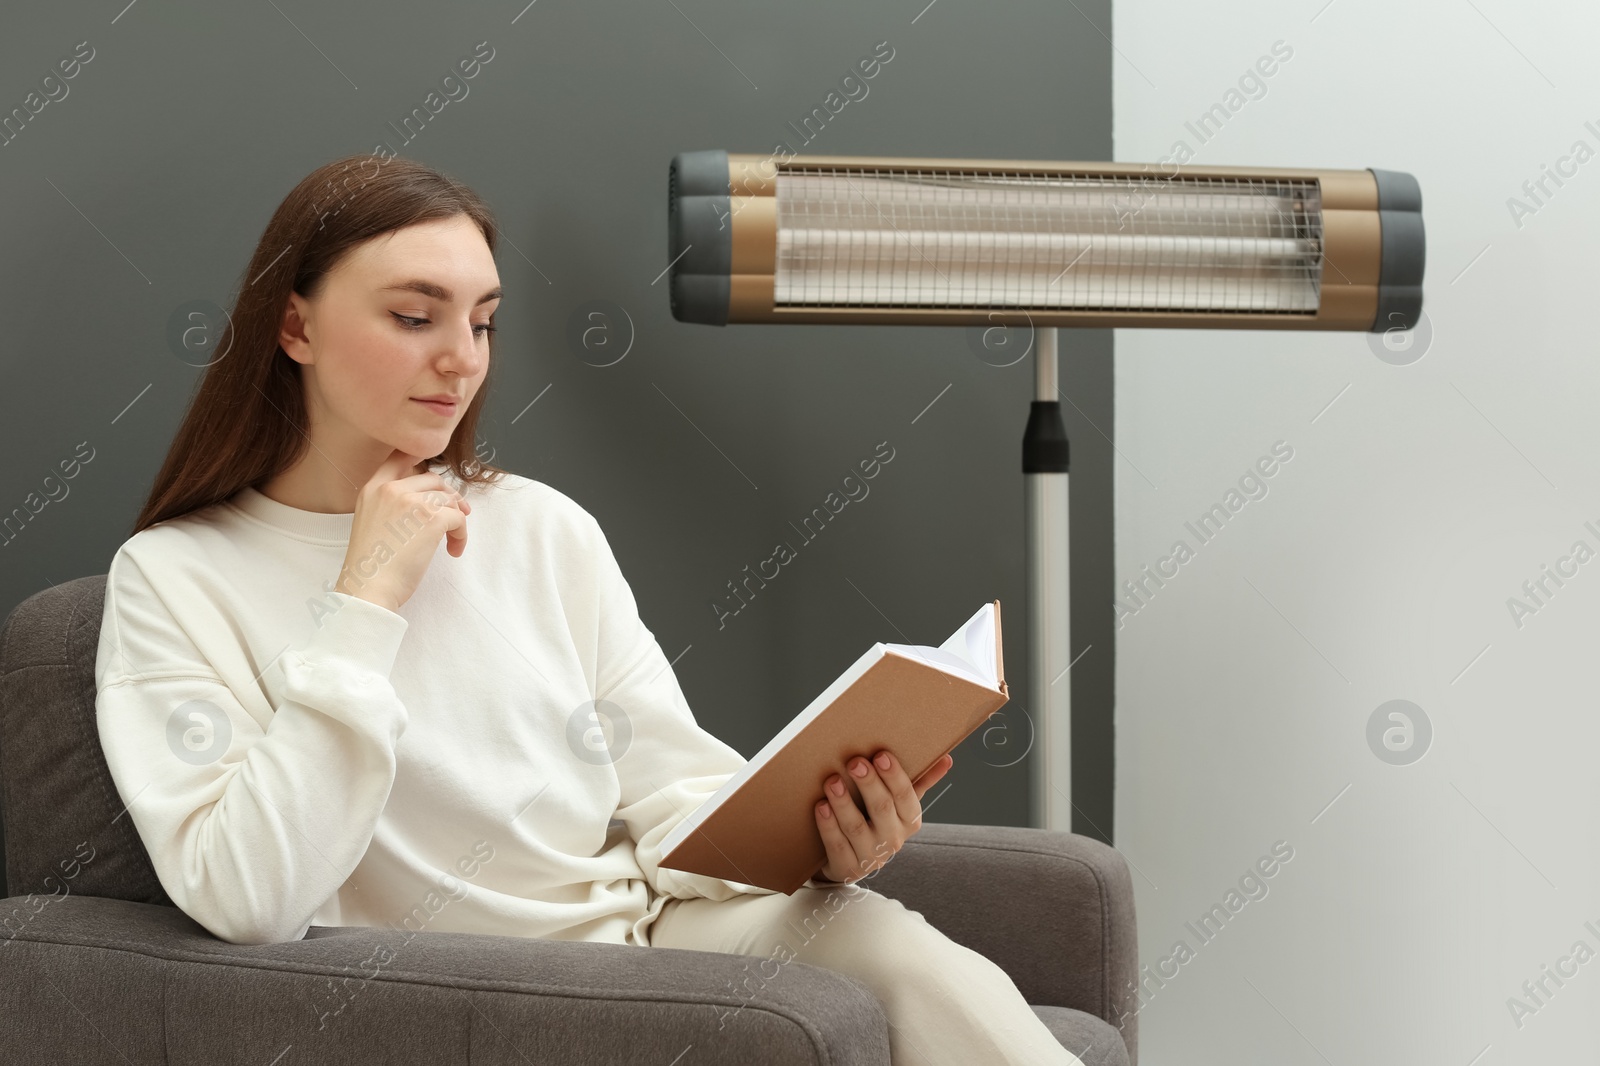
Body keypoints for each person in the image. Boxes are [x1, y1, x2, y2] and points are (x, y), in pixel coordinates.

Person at [93, 153, 1084, 1065]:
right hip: (476, 992)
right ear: (295, 325)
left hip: (655, 934)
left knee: (880, 944)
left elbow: (667, 796)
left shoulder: (538, 526)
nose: (461, 358)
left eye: (481, 321)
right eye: (414, 316)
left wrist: (818, 844)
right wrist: (364, 598)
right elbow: (249, 895)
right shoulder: (176, 576)